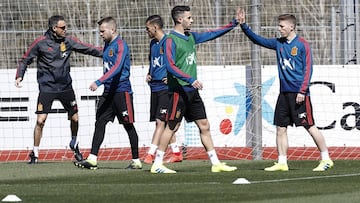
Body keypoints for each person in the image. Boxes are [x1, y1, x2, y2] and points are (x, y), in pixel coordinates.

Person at [238, 10, 333, 171]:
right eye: (279, 26)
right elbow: (258, 40)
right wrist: (244, 26)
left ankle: (326, 159)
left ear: (291, 27)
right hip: (284, 94)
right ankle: (282, 162)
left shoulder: (303, 45)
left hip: (299, 94)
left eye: (282, 26)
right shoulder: (278, 43)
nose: (279, 28)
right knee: (281, 128)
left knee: (310, 125)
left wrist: (302, 91)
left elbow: (308, 70)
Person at [150, 5, 240, 174]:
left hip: (192, 91)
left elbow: (212, 34)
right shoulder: (170, 40)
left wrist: (233, 23)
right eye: (189, 17)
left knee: (204, 125)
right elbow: (170, 66)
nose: (192, 20)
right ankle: (158, 163)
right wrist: (190, 79)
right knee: (171, 126)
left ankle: (215, 163)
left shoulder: (191, 36)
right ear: (179, 19)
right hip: (179, 91)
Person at [15, 15, 103, 164]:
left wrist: (107, 53)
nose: (65, 29)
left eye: (65, 27)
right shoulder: (40, 43)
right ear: (54, 28)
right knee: (40, 121)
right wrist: (19, 75)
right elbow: (25, 59)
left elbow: (89, 49)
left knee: (75, 118)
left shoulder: (68, 40)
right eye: (63, 27)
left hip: (65, 87)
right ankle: (35, 153)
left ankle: (74, 144)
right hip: (47, 87)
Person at [74, 16, 141, 170]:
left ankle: (136, 160)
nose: (101, 34)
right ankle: (92, 158)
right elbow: (96, 52)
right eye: (100, 31)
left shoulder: (121, 45)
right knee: (100, 122)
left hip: (121, 92)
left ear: (113, 29)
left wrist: (99, 81)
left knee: (128, 125)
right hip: (108, 93)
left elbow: (117, 68)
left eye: (103, 31)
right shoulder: (106, 45)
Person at [143, 15, 183, 164]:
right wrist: (149, 73)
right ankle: (176, 152)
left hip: (166, 88)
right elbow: (153, 62)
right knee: (161, 122)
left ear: (155, 27)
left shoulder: (169, 42)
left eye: (147, 28)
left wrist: (170, 76)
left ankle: (151, 154)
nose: (146, 31)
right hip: (155, 86)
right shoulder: (153, 43)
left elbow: (176, 62)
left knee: (161, 122)